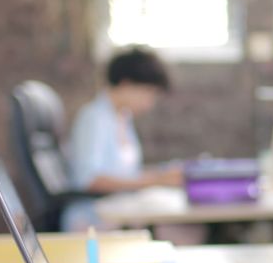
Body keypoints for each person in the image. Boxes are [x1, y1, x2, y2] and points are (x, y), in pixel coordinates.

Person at [61, 47, 183, 231]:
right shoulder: (94, 118)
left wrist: (162, 175)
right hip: (94, 219)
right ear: (126, 84)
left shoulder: (122, 118)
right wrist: (156, 180)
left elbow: (127, 174)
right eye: (148, 92)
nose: (149, 103)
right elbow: (89, 181)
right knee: (181, 232)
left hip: (121, 212)